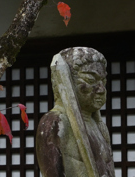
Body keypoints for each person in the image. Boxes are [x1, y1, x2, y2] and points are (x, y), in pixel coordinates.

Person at [36, 47, 113, 177]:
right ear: (68, 80)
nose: (101, 89)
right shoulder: (55, 122)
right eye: (90, 80)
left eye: (103, 81)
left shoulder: (98, 126)